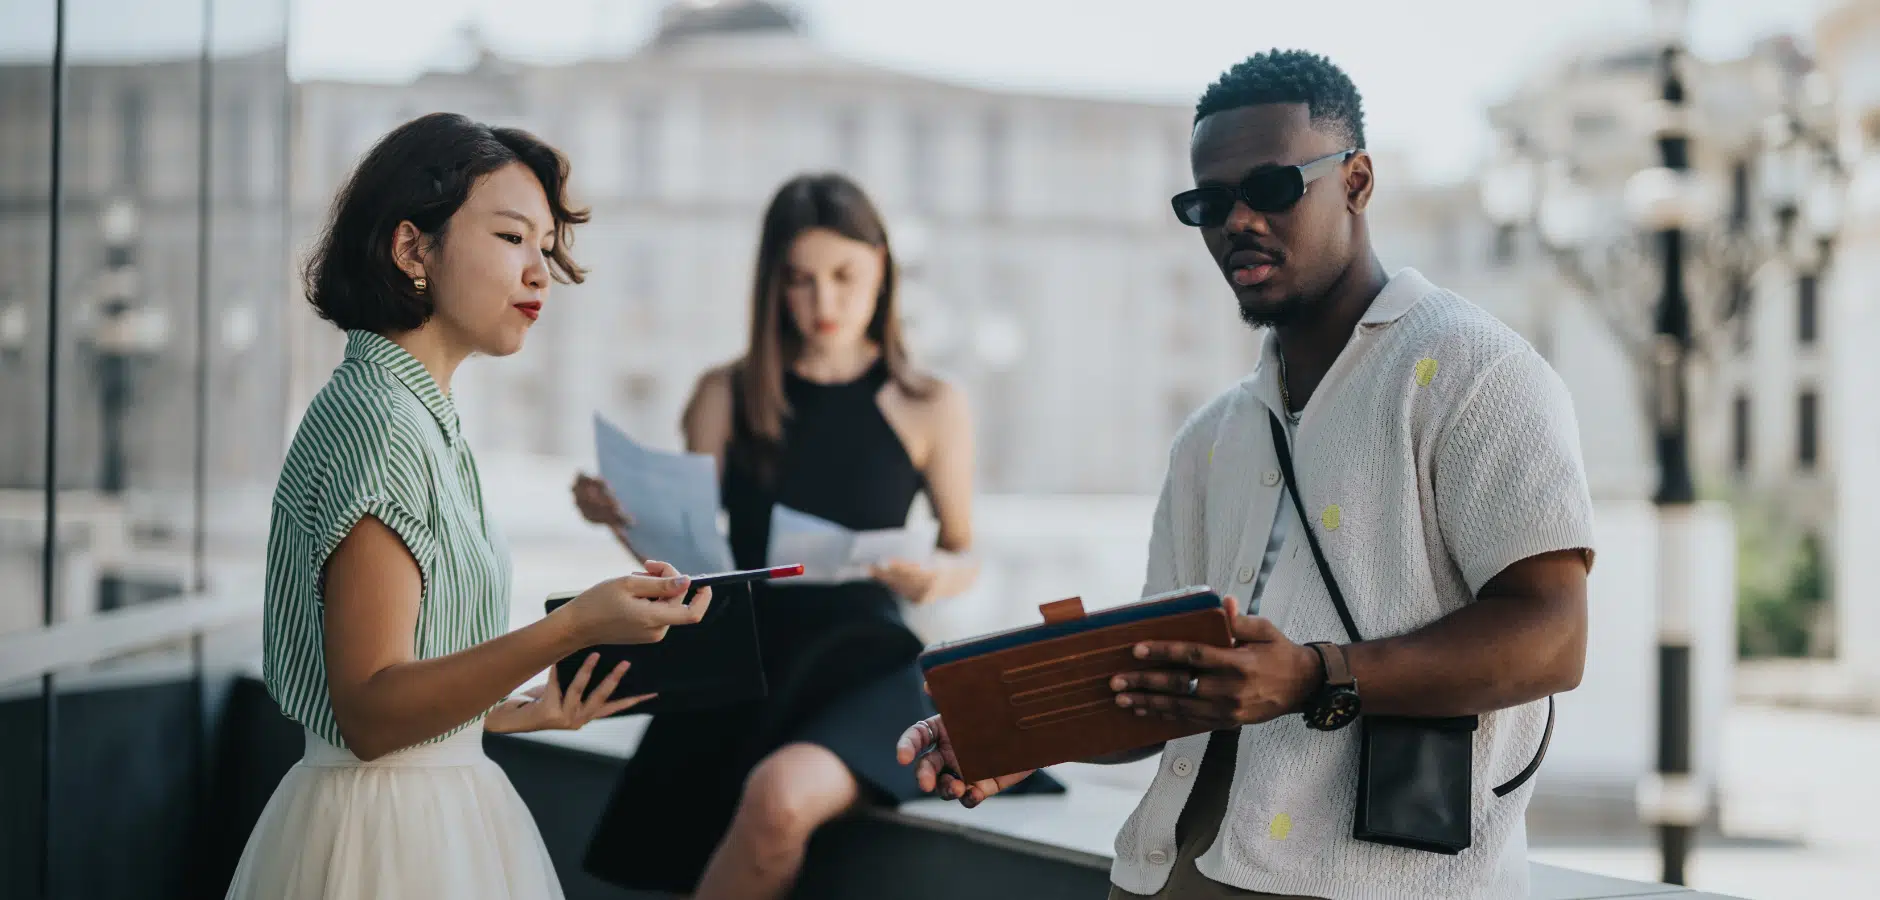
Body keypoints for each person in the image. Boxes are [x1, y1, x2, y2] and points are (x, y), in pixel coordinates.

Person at [898, 50, 1595, 900]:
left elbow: (1555, 638)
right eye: (1210, 202)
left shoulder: (1475, 373)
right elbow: (1162, 691)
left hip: (1376, 877)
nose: (1237, 221)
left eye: (1270, 189)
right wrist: (1018, 735)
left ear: (1358, 181)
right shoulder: (1209, 439)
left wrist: (1312, 675)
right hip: (1172, 869)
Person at [225, 112, 716, 900]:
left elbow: (395, 692)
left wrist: (519, 711)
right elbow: (371, 712)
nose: (539, 272)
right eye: (513, 237)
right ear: (413, 248)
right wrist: (576, 625)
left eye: (545, 246)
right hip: (390, 839)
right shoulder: (383, 423)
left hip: (421, 811)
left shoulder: (416, 414)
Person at [572, 173, 1055, 899]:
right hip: (748, 663)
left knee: (778, 798)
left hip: (871, 663)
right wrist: (623, 521)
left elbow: (965, 551)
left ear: (883, 270)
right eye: (799, 280)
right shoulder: (724, 394)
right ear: (771, 285)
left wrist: (933, 578)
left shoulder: (930, 404)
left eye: (843, 276)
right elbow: (692, 563)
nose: (823, 303)